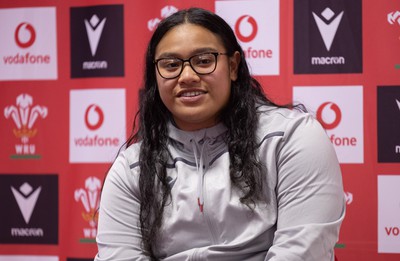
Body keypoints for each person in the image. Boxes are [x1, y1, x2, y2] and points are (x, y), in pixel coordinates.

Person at [95, 7, 345, 261]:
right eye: (171, 65)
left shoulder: (291, 138)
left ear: (233, 66)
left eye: (204, 61)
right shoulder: (133, 167)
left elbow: (301, 253)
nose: (187, 76)